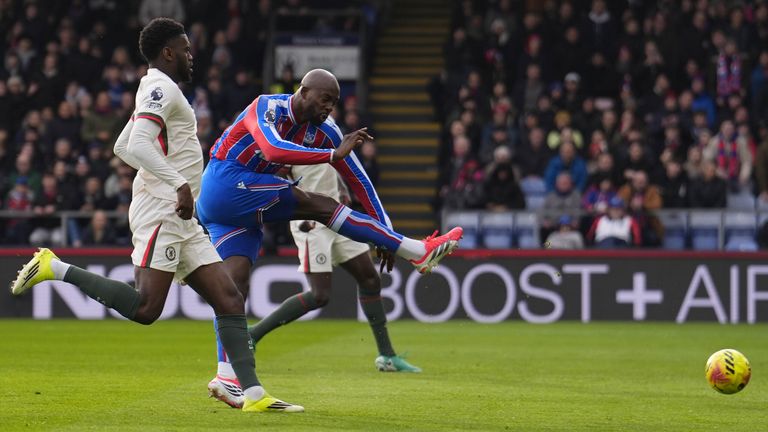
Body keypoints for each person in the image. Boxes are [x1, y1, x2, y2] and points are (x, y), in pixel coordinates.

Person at [10, 18, 302, 413]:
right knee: (147, 308)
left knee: (229, 297)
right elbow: (138, 144)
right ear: (167, 52)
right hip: (163, 211)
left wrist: (172, 184)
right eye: (185, 48)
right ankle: (54, 267)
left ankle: (249, 393)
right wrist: (176, 184)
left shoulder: (156, 88)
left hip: (180, 214)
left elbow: (122, 146)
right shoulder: (161, 88)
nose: (191, 54)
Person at [195, 68, 463, 408]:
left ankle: (228, 378)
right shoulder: (267, 107)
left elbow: (361, 182)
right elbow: (273, 150)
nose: (329, 108)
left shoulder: (326, 131)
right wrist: (332, 155)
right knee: (319, 206)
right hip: (224, 184)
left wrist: (386, 233)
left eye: (334, 102)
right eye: (324, 99)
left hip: (240, 211)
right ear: (303, 91)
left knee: (233, 291)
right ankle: (416, 250)